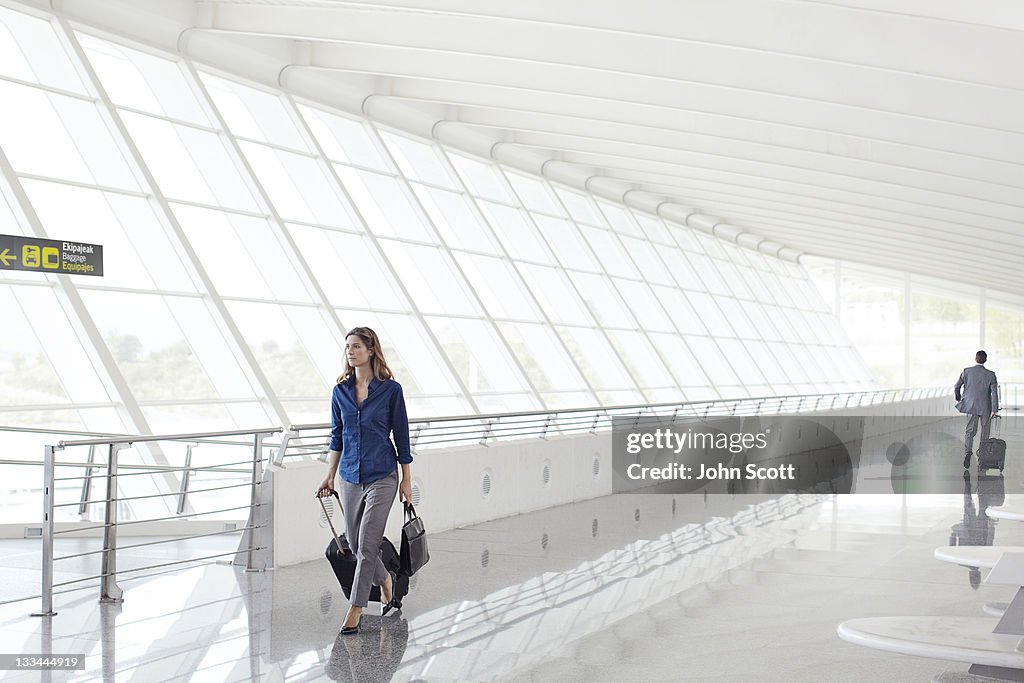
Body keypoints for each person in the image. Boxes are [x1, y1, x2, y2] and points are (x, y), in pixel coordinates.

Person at [316, 327, 413, 635]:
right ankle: (385, 580)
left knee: (369, 544)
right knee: (356, 545)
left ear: (371, 350)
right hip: (348, 477)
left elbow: (402, 437)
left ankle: (355, 608)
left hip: (382, 475)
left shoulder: (391, 390)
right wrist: (329, 476)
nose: (350, 351)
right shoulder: (340, 391)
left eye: (356, 346)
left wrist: (406, 481)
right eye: (348, 347)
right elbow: (337, 437)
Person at [955, 350, 999, 469]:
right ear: (985, 360)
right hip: (985, 407)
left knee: (970, 431)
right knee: (985, 433)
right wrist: (995, 409)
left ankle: (968, 453)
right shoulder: (991, 374)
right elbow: (994, 393)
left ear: (975, 358)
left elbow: (957, 386)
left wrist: (959, 398)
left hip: (970, 406)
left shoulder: (967, 371)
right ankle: (982, 460)